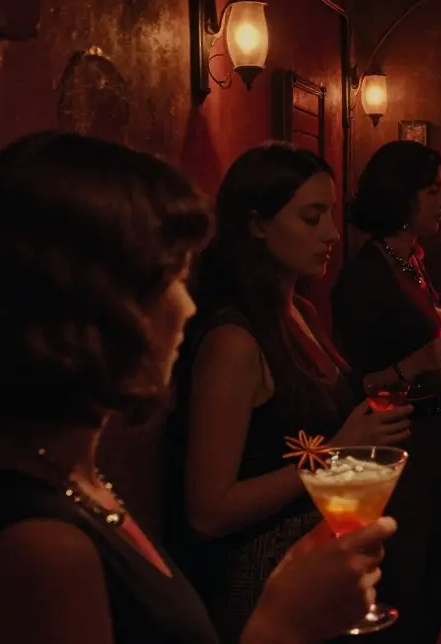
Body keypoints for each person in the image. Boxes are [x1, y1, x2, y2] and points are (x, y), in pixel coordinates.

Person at [0, 131, 395, 644]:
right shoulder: (36, 548)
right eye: (172, 277)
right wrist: (279, 623)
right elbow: (211, 512)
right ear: (89, 304)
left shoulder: (61, 474)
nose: (189, 306)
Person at [170, 142, 412, 641]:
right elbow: (207, 511)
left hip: (318, 561)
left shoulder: (299, 310)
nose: (331, 234)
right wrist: (335, 455)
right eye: (311, 218)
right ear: (257, 224)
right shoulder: (233, 342)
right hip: (265, 580)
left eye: (331, 216)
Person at [331, 140, 441, 644]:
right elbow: (349, 387)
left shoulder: (412, 263)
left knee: (435, 577)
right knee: (404, 589)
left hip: (433, 439)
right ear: (403, 197)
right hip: (394, 452)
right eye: (434, 191)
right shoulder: (365, 277)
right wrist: (416, 364)